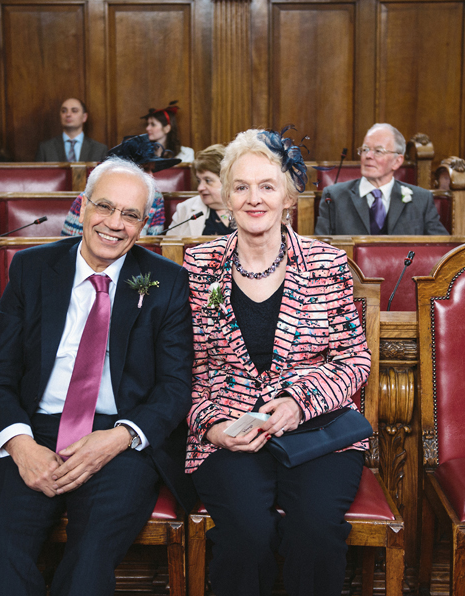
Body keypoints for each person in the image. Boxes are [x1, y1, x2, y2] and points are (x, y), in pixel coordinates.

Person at [0, 156, 194, 596]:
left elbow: (175, 387)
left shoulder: (166, 281)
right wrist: (20, 446)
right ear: (82, 206)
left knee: (91, 552)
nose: (115, 224)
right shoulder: (31, 268)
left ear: (145, 224)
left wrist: (118, 437)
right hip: (34, 429)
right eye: (105, 207)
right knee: (6, 547)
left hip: (121, 439)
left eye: (131, 215)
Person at [184, 129, 371, 596]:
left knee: (314, 533)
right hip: (230, 433)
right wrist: (211, 427)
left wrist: (296, 402)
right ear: (225, 196)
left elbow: (354, 360)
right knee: (246, 536)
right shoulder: (197, 265)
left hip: (316, 433)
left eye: (267, 185)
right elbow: (180, 368)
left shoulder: (327, 264)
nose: (254, 199)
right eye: (241, 187)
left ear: (289, 195)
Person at [315, 123, 447, 236]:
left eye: (378, 151)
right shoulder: (335, 196)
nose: (368, 156)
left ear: (397, 161)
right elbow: (320, 250)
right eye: (365, 149)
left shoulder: (421, 200)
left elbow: (440, 249)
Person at [61, 134, 176, 236]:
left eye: (152, 170)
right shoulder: (87, 197)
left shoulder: (155, 197)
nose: (151, 176)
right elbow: (70, 244)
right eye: (145, 169)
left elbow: (152, 243)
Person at [166, 144, 232, 236]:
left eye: (208, 181)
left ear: (227, 180)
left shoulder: (249, 207)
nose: (200, 188)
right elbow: (170, 248)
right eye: (199, 181)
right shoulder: (185, 209)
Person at [35, 98, 109, 162]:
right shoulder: (46, 148)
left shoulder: (99, 149)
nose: (68, 114)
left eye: (74, 111)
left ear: (84, 117)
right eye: (64, 111)